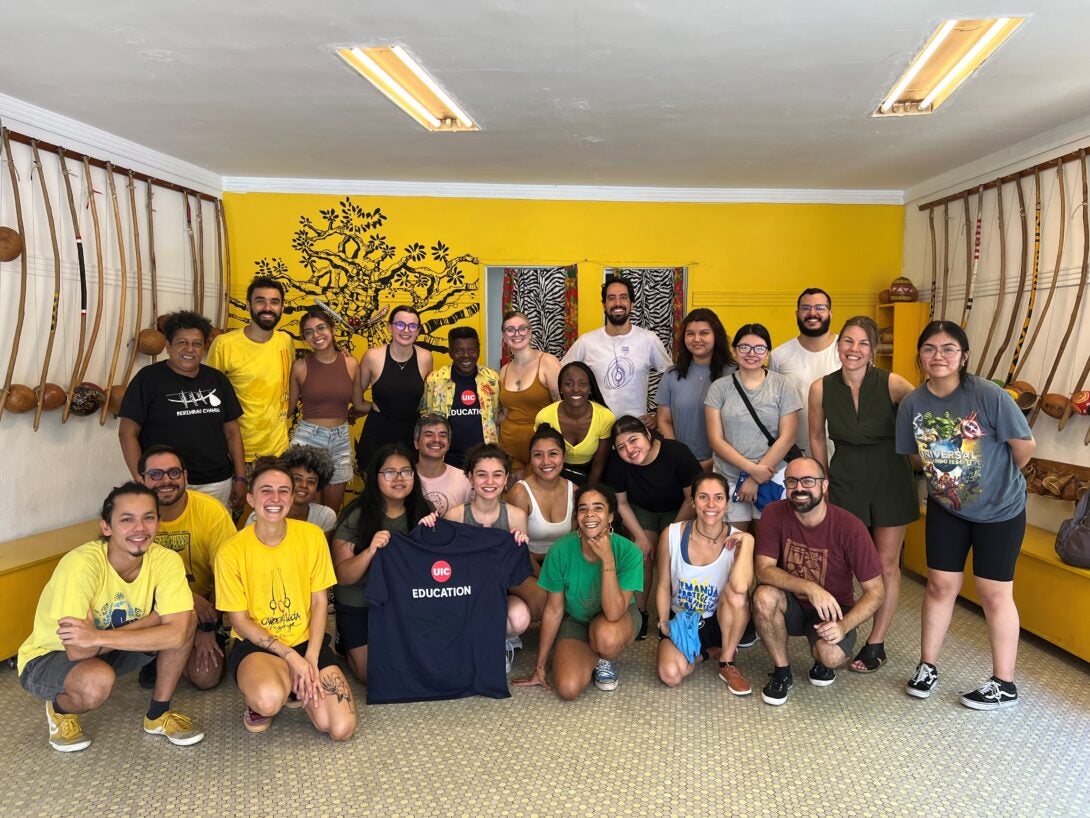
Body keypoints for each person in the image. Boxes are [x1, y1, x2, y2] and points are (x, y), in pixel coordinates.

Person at [896, 320, 1035, 710]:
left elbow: (1024, 446)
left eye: (948, 349)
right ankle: (927, 666)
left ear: (964, 356)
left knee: (994, 593)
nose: (938, 356)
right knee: (940, 586)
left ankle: (1004, 683)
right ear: (920, 355)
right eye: (929, 349)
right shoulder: (913, 403)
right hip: (947, 508)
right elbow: (913, 456)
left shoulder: (989, 395)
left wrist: (996, 482)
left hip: (1001, 511)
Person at [17, 482, 204, 751]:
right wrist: (151, 622)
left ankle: (158, 715)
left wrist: (97, 637)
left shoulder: (166, 560)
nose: (139, 528)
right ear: (107, 527)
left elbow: (176, 634)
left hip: (102, 645)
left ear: (158, 523)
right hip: (49, 656)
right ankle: (60, 709)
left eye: (148, 518)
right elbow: (78, 650)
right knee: (96, 682)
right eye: (127, 519)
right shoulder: (81, 565)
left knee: (188, 620)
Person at [215, 458, 356, 739]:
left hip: (306, 642)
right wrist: (293, 657)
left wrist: (311, 659)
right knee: (268, 700)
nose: (275, 498)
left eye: (283, 491)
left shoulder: (312, 537)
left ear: (292, 499)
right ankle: (274, 687)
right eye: (266, 490)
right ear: (251, 499)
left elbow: (319, 603)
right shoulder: (230, 551)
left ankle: (295, 681)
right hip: (258, 645)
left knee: (341, 728)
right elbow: (239, 621)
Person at [808, 315, 918, 673]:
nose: (854, 350)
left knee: (886, 565)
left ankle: (876, 642)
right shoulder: (820, 388)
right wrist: (822, 482)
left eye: (863, 344)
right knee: (842, 563)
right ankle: (835, 632)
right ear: (838, 345)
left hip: (891, 477)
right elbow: (814, 437)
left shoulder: (893, 383)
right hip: (845, 479)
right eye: (848, 342)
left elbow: (927, 413)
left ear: (873, 350)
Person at [751, 457, 885, 706]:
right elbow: (763, 570)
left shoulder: (851, 527)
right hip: (790, 604)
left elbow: (876, 592)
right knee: (763, 596)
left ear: (824, 486)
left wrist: (844, 626)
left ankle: (822, 661)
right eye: (792, 481)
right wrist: (809, 587)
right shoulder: (773, 513)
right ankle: (782, 672)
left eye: (808, 481)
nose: (799, 488)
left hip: (833, 610)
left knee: (831, 656)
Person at [514, 484, 643, 698]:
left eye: (598, 508)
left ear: (610, 516)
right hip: (577, 620)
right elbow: (554, 610)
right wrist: (539, 666)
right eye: (583, 509)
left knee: (606, 637)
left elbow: (613, 613)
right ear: (577, 517)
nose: (589, 514)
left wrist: (607, 558)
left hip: (618, 619)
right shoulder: (560, 550)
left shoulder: (629, 552)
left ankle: (605, 657)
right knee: (567, 689)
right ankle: (591, 651)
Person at [118, 309, 246, 509]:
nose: (190, 349)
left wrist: (240, 477)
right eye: (182, 343)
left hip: (216, 482)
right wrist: (141, 478)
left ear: (204, 348)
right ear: (168, 346)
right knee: (166, 538)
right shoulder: (148, 379)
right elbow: (127, 434)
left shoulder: (217, 380)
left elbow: (232, 433)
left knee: (214, 539)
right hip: (165, 482)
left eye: (197, 344)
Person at [331, 442, 434, 683]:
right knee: (375, 675)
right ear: (374, 477)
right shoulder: (357, 516)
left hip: (404, 602)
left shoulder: (424, 511)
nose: (398, 478)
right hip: (360, 601)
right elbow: (344, 576)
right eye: (389, 472)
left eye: (406, 472)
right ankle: (344, 640)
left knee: (423, 663)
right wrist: (369, 551)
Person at [138, 445, 237, 691]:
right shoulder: (132, 516)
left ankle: (171, 649)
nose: (165, 481)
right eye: (156, 474)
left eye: (173, 473)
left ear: (185, 476)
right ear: (141, 480)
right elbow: (129, 579)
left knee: (206, 677)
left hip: (205, 606)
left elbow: (229, 575)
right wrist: (188, 599)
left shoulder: (211, 511)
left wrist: (206, 627)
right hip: (151, 606)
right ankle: (161, 648)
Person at [655, 472, 754, 695]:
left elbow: (740, 588)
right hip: (682, 621)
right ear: (692, 501)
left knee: (737, 595)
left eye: (719, 497)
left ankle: (727, 661)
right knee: (670, 675)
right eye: (703, 497)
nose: (711, 504)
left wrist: (748, 541)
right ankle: (708, 653)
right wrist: (662, 623)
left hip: (720, 622)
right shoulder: (670, 534)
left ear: (727, 503)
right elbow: (662, 584)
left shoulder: (739, 539)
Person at [439, 444, 533, 672]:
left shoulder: (516, 516)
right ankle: (470, 641)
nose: (489, 481)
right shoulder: (455, 515)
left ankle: (500, 641)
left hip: (498, 593)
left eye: (497, 474)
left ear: (506, 479)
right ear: (470, 478)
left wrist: (520, 546)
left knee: (519, 617)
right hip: (464, 593)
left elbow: (516, 573)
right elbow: (444, 565)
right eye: (482, 474)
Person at [606, 415, 702, 638]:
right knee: (642, 554)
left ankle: (668, 613)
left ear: (647, 434)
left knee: (670, 555)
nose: (629, 450)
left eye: (633, 440)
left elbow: (692, 499)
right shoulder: (617, 462)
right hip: (642, 509)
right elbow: (620, 503)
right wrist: (640, 537)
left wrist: (671, 533)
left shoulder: (676, 452)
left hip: (679, 509)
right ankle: (639, 613)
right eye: (621, 446)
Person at [705, 323, 802, 533]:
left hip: (773, 478)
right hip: (729, 477)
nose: (752, 353)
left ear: (767, 353)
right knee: (733, 545)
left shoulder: (783, 385)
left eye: (759, 348)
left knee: (767, 548)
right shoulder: (719, 388)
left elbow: (788, 436)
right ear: (734, 350)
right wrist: (752, 471)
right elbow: (715, 439)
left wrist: (758, 476)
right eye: (744, 347)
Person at [206, 276, 296, 464]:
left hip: (279, 452)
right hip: (238, 454)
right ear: (248, 305)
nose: (268, 308)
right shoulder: (224, 344)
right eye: (260, 301)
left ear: (281, 307)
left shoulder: (285, 341)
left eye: (274, 302)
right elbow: (211, 398)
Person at [561, 276, 671, 426]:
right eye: (611, 298)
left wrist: (659, 416)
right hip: (597, 429)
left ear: (631, 304)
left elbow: (672, 377)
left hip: (635, 429)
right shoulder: (586, 342)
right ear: (604, 305)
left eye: (623, 297)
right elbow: (561, 374)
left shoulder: (649, 339)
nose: (617, 303)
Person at [288, 306, 365, 512]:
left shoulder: (351, 363)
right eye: (309, 332)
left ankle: (327, 546)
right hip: (308, 439)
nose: (316, 335)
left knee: (330, 513)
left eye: (321, 328)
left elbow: (358, 405)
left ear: (332, 329)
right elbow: (288, 409)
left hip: (340, 440)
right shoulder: (300, 367)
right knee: (306, 510)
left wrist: (384, 404)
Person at [356, 305, 434, 471]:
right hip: (377, 433)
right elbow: (356, 398)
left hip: (410, 434)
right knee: (374, 491)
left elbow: (429, 401)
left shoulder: (426, 357)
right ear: (389, 327)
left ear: (418, 330)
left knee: (408, 490)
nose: (406, 330)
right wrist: (371, 406)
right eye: (400, 324)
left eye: (412, 326)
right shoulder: (372, 357)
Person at [656, 307, 735, 470]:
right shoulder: (672, 374)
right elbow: (664, 420)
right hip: (682, 465)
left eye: (704, 333)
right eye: (690, 333)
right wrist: (678, 457)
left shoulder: (735, 373)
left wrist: (715, 461)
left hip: (726, 463)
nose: (696, 339)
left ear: (716, 336)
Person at [769, 288, 841, 456]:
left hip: (842, 450)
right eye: (806, 308)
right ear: (797, 313)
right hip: (795, 452)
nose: (812, 313)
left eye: (820, 308)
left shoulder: (848, 352)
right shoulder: (779, 356)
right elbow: (773, 407)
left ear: (830, 313)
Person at [421, 326, 499, 469]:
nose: (466, 355)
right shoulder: (435, 380)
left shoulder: (492, 379)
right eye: (459, 351)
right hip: (447, 461)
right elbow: (426, 417)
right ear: (450, 352)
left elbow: (496, 414)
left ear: (478, 351)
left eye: (471, 350)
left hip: (485, 461)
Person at [497, 310, 561, 476]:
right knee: (514, 499)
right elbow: (504, 413)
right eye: (510, 330)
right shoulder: (504, 371)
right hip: (509, 449)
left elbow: (561, 408)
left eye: (522, 328)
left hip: (541, 450)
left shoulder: (547, 362)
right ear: (504, 337)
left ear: (530, 332)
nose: (516, 334)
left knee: (538, 497)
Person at [507, 424, 576, 577]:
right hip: (526, 565)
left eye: (553, 454)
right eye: (538, 455)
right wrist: (548, 580)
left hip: (563, 566)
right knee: (545, 598)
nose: (546, 461)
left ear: (563, 457)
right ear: (530, 459)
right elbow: (517, 549)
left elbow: (575, 544)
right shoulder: (520, 493)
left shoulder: (575, 492)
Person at [535, 361, 616, 485]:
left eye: (583, 384)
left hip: (592, 476)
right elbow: (541, 459)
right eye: (568, 384)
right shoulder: (545, 416)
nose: (576, 389)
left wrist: (586, 494)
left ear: (590, 388)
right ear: (560, 388)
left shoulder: (605, 417)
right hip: (554, 474)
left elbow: (598, 466)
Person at [245, 444, 338, 536]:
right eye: (297, 479)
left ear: (318, 488)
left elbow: (323, 550)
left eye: (311, 482)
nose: (304, 485)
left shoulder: (325, 516)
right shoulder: (258, 517)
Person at [413, 413, 473, 516]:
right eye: (429, 434)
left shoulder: (465, 479)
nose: (436, 439)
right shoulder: (405, 478)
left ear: (449, 444)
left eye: (442, 435)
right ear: (416, 443)